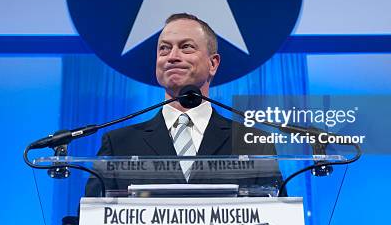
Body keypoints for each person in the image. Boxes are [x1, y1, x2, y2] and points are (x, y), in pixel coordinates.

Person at [88, 13, 283, 192]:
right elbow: (90, 222)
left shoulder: (253, 144)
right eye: (164, 48)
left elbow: (278, 219)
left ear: (213, 64)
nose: (172, 57)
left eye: (186, 47)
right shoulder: (119, 144)